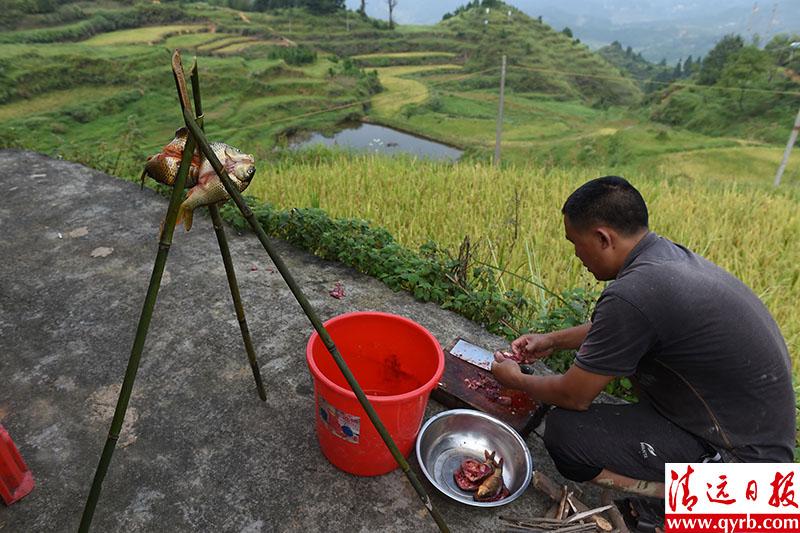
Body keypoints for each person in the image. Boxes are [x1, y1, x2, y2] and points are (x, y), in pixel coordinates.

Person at [491, 176, 796, 502]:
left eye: (574, 242)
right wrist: (552, 340)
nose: (576, 253)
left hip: (746, 464)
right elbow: (622, 328)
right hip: (750, 431)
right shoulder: (661, 258)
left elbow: (573, 395)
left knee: (567, 435)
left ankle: (692, 499)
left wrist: (515, 380)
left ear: (602, 238)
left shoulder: (634, 293)